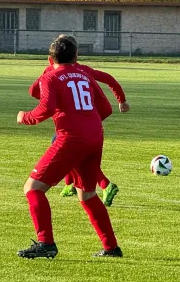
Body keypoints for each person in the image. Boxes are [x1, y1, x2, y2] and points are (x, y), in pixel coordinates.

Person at [16, 36, 122, 259]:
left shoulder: (51, 76)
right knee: (88, 195)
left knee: (33, 188)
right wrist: (87, 124)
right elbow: (105, 108)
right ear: (76, 56)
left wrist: (24, 117)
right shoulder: (84, 74)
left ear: (49, 58)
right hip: (94, 136)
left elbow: (45, 107)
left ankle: (46, 243)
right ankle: (111, 248)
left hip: (71, 138)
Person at [29, 35, 129, 206]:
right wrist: (122, 100)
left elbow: (33, 91)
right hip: (92, 126)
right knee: (76, 156)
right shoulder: (84, 70)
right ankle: (70, 185)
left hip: (71, 127)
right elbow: (109, 80)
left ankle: (104, 184)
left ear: (52, 57)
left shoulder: (51, 71)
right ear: (76, 55)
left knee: (65, 151)